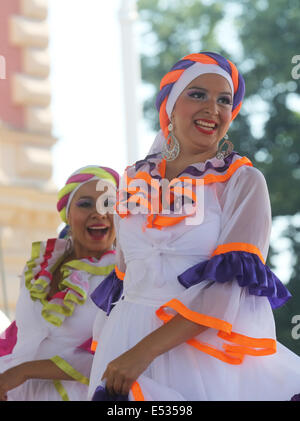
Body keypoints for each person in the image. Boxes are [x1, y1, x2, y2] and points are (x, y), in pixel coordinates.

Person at [88, 52, 300, 401]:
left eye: (224, 100)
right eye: (198, 94)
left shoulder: (243, 182)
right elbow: (124, 283)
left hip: (199, 355)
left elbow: (228, 291)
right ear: (170, 107)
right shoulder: (132, 182)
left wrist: (144, 352)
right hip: (121, 346)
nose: (213, 109)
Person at [0, 165, 119, 401]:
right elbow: (19, 335)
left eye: (108, 204)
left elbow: (109, 355)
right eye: (85, 203)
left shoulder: (123, 277)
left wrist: (23, 372)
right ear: (67, 213)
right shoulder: (40, 266)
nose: (99, 212)